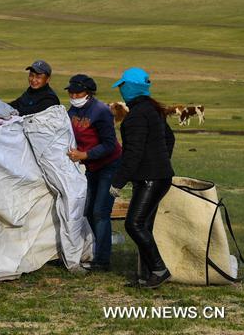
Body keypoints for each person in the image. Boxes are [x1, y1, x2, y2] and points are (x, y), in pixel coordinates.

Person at [109, 67, 175, 289]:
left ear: (130, 88)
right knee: (145, 224)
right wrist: (162, 163)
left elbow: (133, 153)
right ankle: (149, 275)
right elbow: (170, 139)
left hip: (150, 179)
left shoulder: (136, 116)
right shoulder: (152, 110)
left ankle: (159, 270)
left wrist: (118, 182)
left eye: (122, 86)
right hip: (159, 177)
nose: (120, 90)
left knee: (134, 224)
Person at [64, 74, 121, 272]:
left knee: (100, 211)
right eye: (71, 91)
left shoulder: (101, 111)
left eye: (77, 92)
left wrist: (84, 154)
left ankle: (102, 260)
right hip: (90, 167)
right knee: (87, 210)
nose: (73, 95)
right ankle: (91, 250)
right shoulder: (72, 111)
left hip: (109, 164)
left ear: (88, 93)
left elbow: (109, 144)